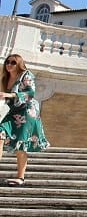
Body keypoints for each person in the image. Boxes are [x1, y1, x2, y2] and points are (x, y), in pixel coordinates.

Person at [0, 54, 50, 186]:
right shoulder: (5, 78)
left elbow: (30, 93)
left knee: (21, 144)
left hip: (27, 112)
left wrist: (9, 94)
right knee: (0, 133)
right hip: (13, 112)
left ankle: (20, 177)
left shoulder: (26, 75)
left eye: (13, 62)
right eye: (7, 62)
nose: (9, 64)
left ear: (19, 64)